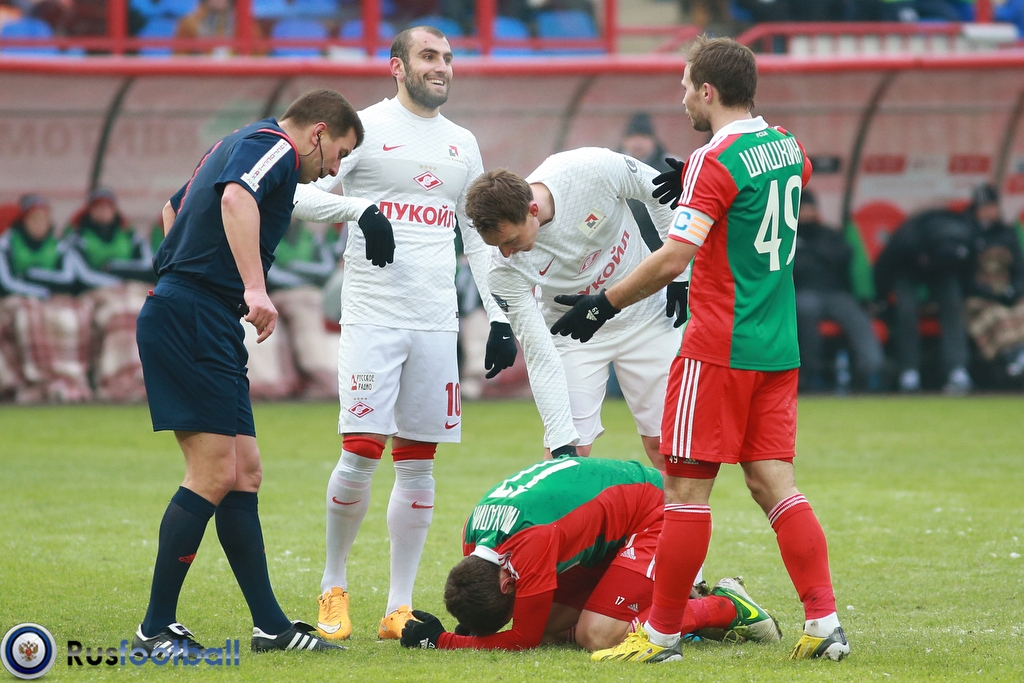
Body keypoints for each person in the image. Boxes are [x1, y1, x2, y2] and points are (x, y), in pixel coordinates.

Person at [550, 36, 850, 663]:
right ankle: (824, 623)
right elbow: (775, 180)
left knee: (684, 493)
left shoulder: (714, 160)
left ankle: (660, 636)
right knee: (775, 486)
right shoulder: (787, 147)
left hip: (717, 348)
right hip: (777, 347)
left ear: (708, 91)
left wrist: (604, 303)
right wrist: (695, 179)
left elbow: (674, 258)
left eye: (686, 86)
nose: (682, 97)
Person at [289, 26, 514, 643]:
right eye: (428, 56)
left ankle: (399, 607)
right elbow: (299, 196)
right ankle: (334, 587)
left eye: (448, 58)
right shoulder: (364, 128)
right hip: (374, 316)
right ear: (397, 66)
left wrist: (498, 315)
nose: (441, 67)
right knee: (361, 451)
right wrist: (359, 209)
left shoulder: (462, 143)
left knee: (418, 462)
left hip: (437, 323)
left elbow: (478, 238)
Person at [131, 87, 364, 657]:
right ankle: (153, 630)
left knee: (243, 473)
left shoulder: (238, 141)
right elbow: (236, 198)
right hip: (193, 315)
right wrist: (252, 288)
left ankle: (271, 628)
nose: (333, 170)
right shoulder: (275, 145)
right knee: (212, 472)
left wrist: (199, 271)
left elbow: (174, 209)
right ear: (317, 133)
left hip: (200, 311)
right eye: (338, 153)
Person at [398, 456, 782, 651]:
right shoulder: (474, 536)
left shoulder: (529, 544)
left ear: (505, 583)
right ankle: (666, 601)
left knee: (597, 635)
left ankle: (724, 607)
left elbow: (522, 638)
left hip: (658, 511)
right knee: (551, 628)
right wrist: (470, 629)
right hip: (611, 529)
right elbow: (526, 628)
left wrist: (444, 641)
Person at [463, 149, 686, 470]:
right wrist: (560, 439)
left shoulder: (590, 169)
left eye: (510, 240)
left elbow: (661, 191)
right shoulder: (501, 269)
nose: (507, 253)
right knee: (567, 457)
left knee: (668, 448)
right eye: (497, 246)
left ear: (533, 209)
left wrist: (679, 272)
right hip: (572, 336)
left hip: (646, 317)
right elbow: (539, 353)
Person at [0, 193, 117, 403]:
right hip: (18, 300)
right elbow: (7, 282)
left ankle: (70, 381)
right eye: (34, 219)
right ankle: (35, 382)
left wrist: (33, 277)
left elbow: (67, 279)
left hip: (49, 298)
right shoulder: (7, 243)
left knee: (73, 317)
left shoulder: (58, 245)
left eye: (44, 219)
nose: (39, 224)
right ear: (24, 221)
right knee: (27, 318)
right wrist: (38, 290)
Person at [874, 201, 974, 394]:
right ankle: (908, 371)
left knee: (953, 305)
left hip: (941, 272)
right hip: (907, 269)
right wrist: (882, 300)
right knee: (906, 310)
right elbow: (883, 267)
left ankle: (957, 369)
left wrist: (968, 294)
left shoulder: (964, 236)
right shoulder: (908, 238)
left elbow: (968, 273)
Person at [65, 187, 154, 402]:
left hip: (129, 288)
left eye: (107, 207)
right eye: (98, 208)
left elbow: (148, 266)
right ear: (90, 211)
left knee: (142, 311)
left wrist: (116, 269)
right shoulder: (77, 238)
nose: (103, 212)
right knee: (117, 315)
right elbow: (81, 275)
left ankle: (143, 377)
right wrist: (114, 282)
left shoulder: (130, 236)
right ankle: (113, 378)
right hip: (97, 292)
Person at [792, 189, 884, 392]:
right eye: (802, 208)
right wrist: (816, 256)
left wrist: (812, 254)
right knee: (804, 310)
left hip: (835, 294)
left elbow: (845, 255)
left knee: (857, 318)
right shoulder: (788, 235)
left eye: (810, 208)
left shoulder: (829, 234)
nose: (807, 212)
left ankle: (870, 372)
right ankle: (809, 374)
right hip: (804, 292)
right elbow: (796, 267)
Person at [244, 217, 339, 400]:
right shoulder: (264, 234)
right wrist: (302, 277)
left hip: (306, 292)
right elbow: (267, 273)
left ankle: (322, 375)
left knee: (309, 303)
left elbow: (326, 269)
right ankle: (275, 381)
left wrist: (295, 268)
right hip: (268, 294)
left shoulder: (310, 236)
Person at [962, 183, 1024, 380]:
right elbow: (966, 278)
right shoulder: (966, 232)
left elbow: (1019, 270)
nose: (989, 211)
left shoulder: (1007, 232)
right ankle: (1012, 359)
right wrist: (990, 293)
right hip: (980, 296)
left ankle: (1019, 356)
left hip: (1008, 291)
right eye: (984, 207)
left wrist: (1014, 290)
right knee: (996, 315)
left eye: (992, 206)